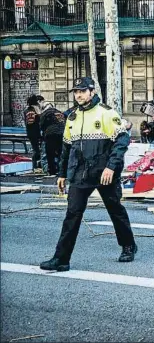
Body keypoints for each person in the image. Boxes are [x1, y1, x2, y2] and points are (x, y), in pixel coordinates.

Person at [40, 77, 137, 272]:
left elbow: (122, 141)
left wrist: (111, 167)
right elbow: (67, 148)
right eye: (76, 92)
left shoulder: (106, 113)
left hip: (104, 173)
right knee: (71, 215)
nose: (78, 95)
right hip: (79, 174)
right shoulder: (72, 117)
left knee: (115, 210)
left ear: (92, 92)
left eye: (82, 91)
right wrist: (61, 174)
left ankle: (128, 246)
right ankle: (61, 259)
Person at [39, 101, 66, 176]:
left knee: (50, 154)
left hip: (50, 135)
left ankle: (52, 170)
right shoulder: (59, 112)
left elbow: (41, 125)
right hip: (62, 134)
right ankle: (62, 170)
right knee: (61, 153)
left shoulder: (44, 113)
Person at [24, 95, 42, 169]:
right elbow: (40, 120)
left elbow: (26, 122)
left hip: (30, 132)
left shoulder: (26, 110)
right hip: (37, 132)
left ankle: (35, 166)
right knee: (37, 149)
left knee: (35, 148)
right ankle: (35, 166)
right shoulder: (36, 109)